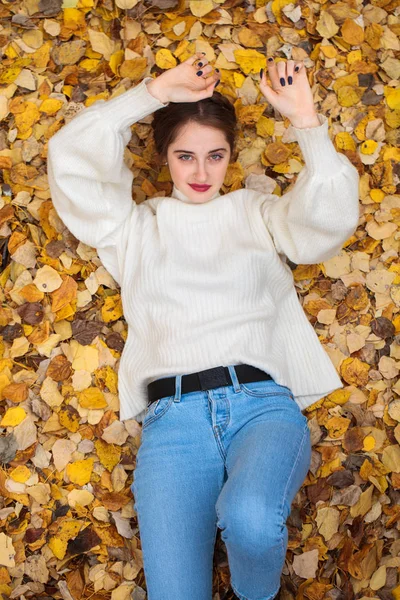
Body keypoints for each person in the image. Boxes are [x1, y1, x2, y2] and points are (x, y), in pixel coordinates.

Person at [47, 52, 360, 600]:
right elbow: (68, 157)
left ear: (230, 157)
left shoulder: (257, 213)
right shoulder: (135, 230)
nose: (200, 173)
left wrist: (307, 123)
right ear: (164, 157)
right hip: (173, 426)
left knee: (252, 519)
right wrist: (152, 93)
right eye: (185, 156)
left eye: (215, 156)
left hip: (261, 407)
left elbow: (325, 226)